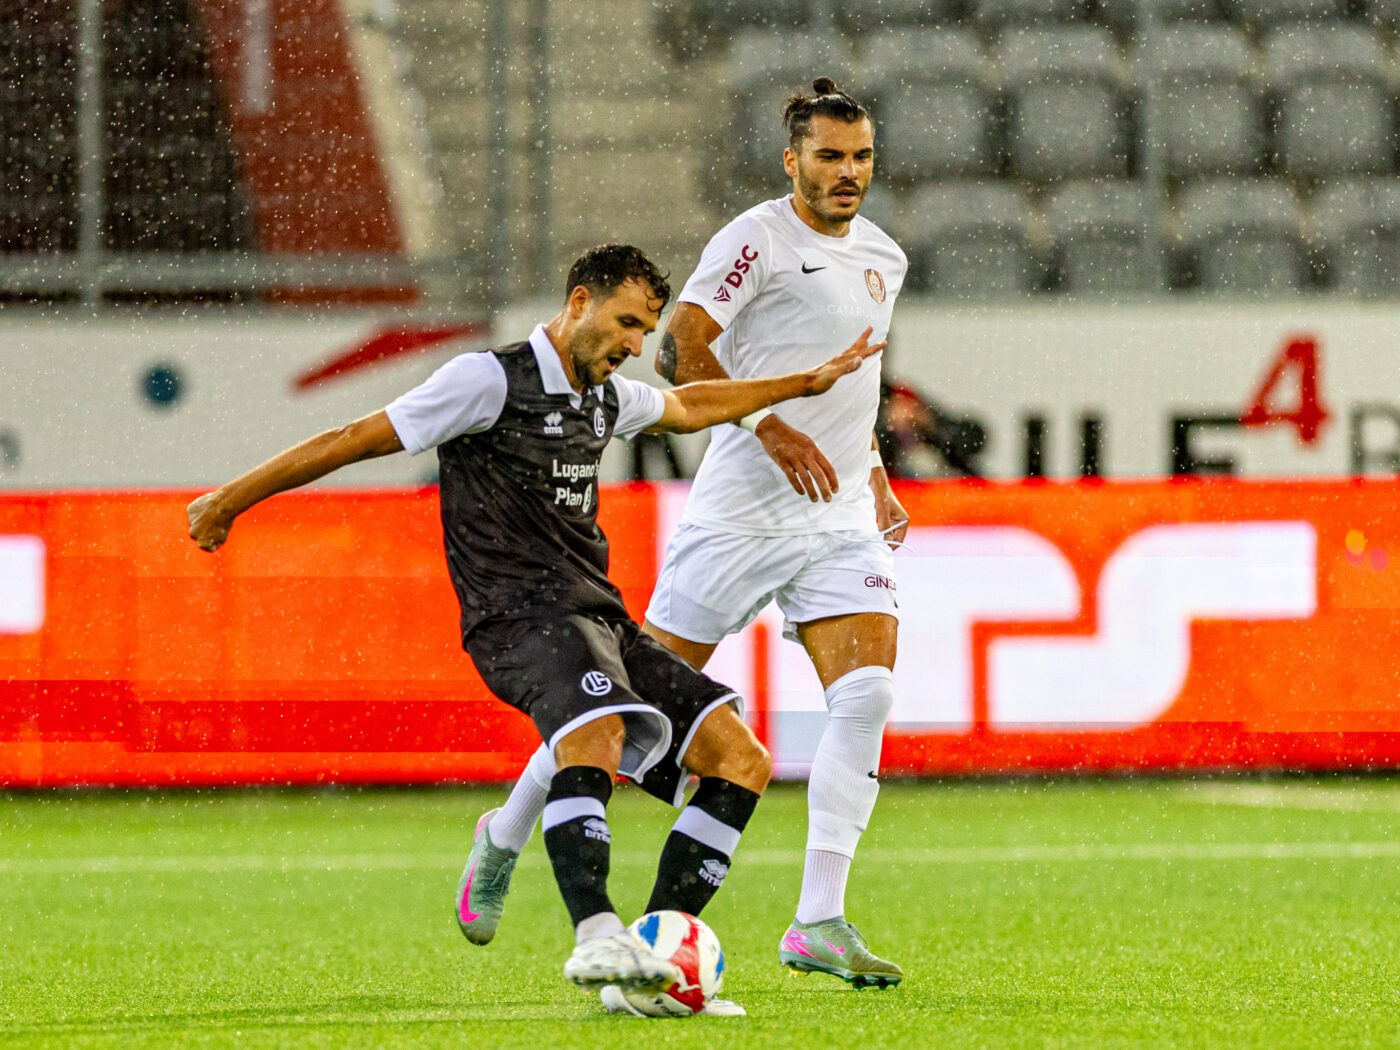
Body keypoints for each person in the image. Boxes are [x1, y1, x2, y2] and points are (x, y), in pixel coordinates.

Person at [185, 244, 884, 1006]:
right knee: (596, 736)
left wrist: (799, 385)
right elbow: (356, 438)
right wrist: (231, 500)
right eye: (624, 324)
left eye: (645, 334)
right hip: (515, 617)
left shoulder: (605, 398)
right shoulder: (487, 381)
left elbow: (688, 407)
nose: (633, 346)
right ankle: (594, 938)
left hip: (597, 616)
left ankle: (649, 963)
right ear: (578, 300)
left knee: (739, 758)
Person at [468, 80, 909, 990]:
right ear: (792, 161)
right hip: (741, 509)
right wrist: (767, 425)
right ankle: (506, 829)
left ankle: (818, 919)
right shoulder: (756, 239)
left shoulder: (884, 257)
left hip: (837, 518)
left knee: (864, 696)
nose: (847, 173)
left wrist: (874, 474)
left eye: (860, 157)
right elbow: (684, 349)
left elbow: (855, 385)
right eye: (829, 157)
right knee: (619, 710)